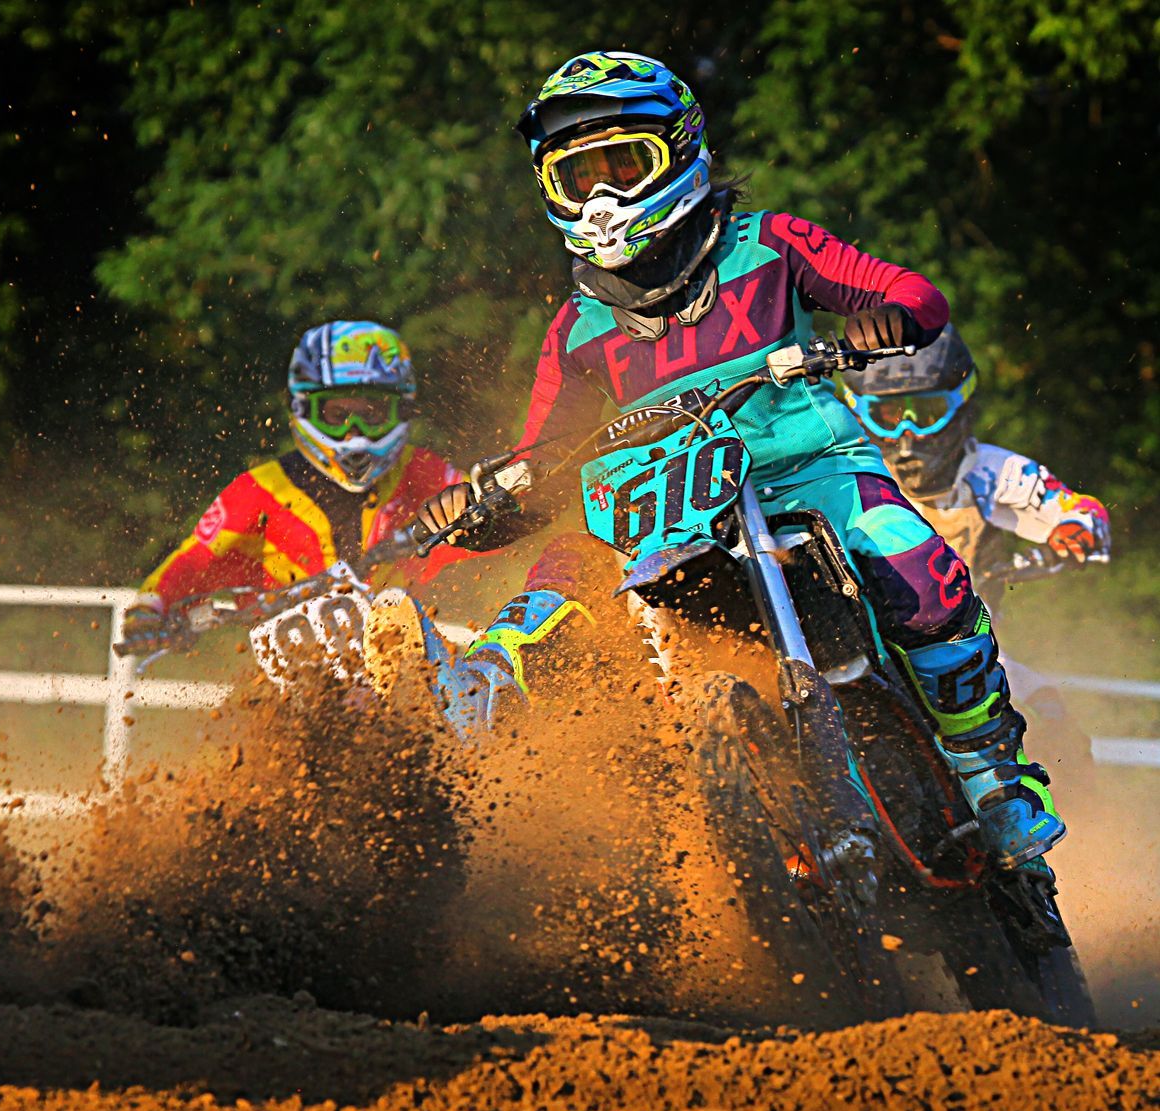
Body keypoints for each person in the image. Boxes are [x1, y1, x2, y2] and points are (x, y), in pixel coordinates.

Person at [409, 50, 1062, 873]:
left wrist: (880, 323)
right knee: (567, 561)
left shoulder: (767, 244)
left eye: (623, 164)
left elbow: (909, 293)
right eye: (580, 177)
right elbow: (543, 461)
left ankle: (993, 775)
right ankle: (488, 691)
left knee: (916, 565)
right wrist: (472, 511)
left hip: (809, 469)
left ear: (679, 152)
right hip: (668, 508)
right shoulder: (576, 330)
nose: (604, 196)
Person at [125, 320, 473, 633]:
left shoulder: (421, 471)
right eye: (336, 414)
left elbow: (490, 509)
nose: (355, 433)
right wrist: (148, 609)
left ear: (402, 410)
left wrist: (510, 498)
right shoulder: (260, 489)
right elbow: (194, 558)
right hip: (292, 674)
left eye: (371, 413)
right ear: (304, 410)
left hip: (398, 659)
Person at [839, 323, 1110, 609]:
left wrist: (1073, 529)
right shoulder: (848, 476)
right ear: (860, 413)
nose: (908, 430)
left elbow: (1085, 512)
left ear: (960, 407)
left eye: (927, 412)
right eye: (890, 414)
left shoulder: (992, 470)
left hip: (974, 638)